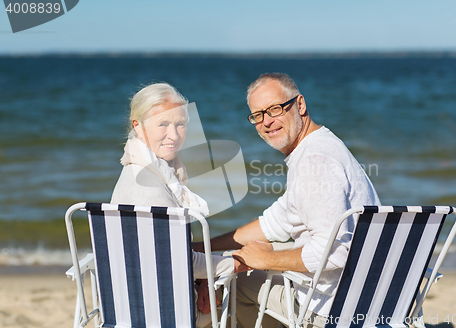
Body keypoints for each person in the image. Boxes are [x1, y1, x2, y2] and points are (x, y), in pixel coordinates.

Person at [194, 73, 381, 328]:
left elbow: (334, 254)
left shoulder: (315, 162)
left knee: (233, 282)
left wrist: (265, 260)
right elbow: (274, 222)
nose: (267, 122)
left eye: (275, 109)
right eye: (258, 115)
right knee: (239, 262)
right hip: (368, 295)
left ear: (300, 105)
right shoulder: (322, 146)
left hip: (330, 308)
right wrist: (204, 247)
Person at [110, 82, 248, 328]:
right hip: (164, 313)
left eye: (180, 124)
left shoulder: (138, 170)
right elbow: (179, 262)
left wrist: (204, 278)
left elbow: (165, 255)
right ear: (138, 127)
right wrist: (238, 261)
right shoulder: (150, 186)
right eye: (163, 124)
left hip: (128, 305)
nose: (174, 135)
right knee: (248, 291)